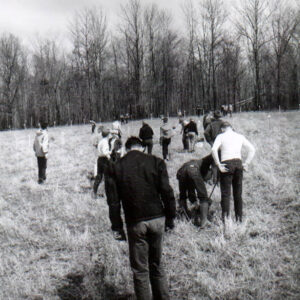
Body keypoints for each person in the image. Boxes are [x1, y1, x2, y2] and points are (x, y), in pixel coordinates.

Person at [108, 136, 176, 300]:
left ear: (126, 148)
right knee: (157, 265)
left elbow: (113, 202)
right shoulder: (156, 162)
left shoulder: (116, 167)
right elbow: (167, 192)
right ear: (143, 148)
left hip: (135, 222)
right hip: (158, 218)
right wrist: (170, 218)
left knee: (140, 270)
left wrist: (117, 227)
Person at [211, 122, 255, 223]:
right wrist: (246, 163)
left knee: (226, 194)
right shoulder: (240, 136)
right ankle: (239, 219)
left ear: (222, 129)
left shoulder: (220, 136)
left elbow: (213, 149)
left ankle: (226, 220)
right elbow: (252, 149)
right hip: (238, 163)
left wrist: (218, 164)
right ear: (232, 128)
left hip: (226, 163)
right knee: (238, 194)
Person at [176, 154, 213, 228]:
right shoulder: (203, 167)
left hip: (181, 170)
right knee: (203, 196)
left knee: (183, 195)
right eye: (207, 179)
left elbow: (191, 191)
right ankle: (204, 221)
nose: (206, 181)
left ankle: (185, 216)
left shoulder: (199, 162)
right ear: (208, 172)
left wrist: (195, 203)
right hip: (193, 169)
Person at [92, 128, 112, 198]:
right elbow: (104, 152)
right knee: (107, 177)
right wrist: (110, 153)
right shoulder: (105, 142)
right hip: (104, 160)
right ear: (108, 135)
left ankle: (94, 192)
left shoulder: (101, 141)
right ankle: (107, 194)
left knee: (99, 176)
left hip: (99, 159)